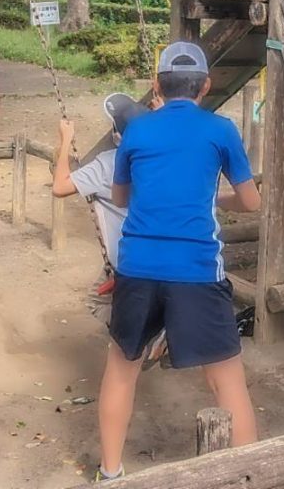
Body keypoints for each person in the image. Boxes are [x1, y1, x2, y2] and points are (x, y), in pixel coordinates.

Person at [95, 42, 262, 481]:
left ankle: (110, 472)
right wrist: (212, 196)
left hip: (138, 266)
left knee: (121, 368)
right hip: (196, 269)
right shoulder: (221, 130)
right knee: (226, 379)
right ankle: (246, 475)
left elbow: (120, 198)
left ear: (156, 85)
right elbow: (251, 201)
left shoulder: (137, 132)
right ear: (205, 85)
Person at [53, 93, 151, 279]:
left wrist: (66, 140)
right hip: (161, 252)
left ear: (117, 137)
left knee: (97, 301)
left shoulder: (107, 164)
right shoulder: (166, 159)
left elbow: (59, 187)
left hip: (127, 261)